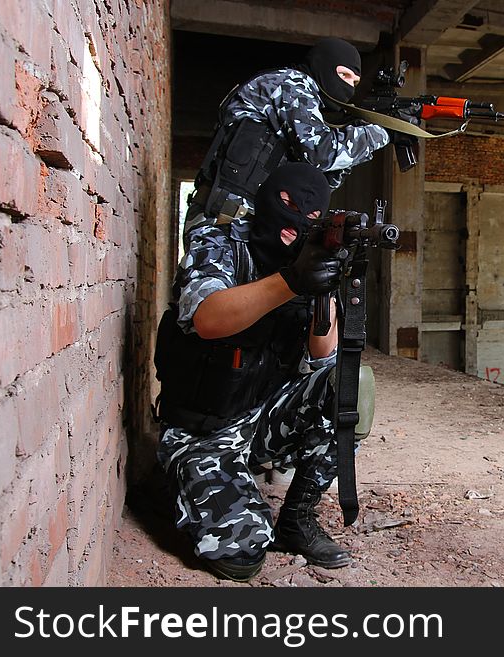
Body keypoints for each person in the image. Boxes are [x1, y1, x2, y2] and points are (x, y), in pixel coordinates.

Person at [154, 162, 354, 582]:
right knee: (240, 557)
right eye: (286, 205)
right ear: (265, 200)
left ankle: (296, 518)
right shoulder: (220, 241)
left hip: (262, 418)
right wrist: (292, 281)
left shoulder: (307, 257)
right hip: (203, 427)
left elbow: (323, 359)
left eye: (311, 218)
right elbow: (207, 318)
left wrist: (324, 289)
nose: (295, 221)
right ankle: (198, 480)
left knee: (347, 388)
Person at [183, 37, 391, 243]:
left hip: (244, 223)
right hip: (222, 222)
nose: (349, 88)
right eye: (343, 75)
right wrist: (381, 133)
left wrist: (357, 141)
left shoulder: (302, 108)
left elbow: (318, 183)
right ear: (323, 65)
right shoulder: (291, 83)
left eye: (354, 82)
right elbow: (320, 153)